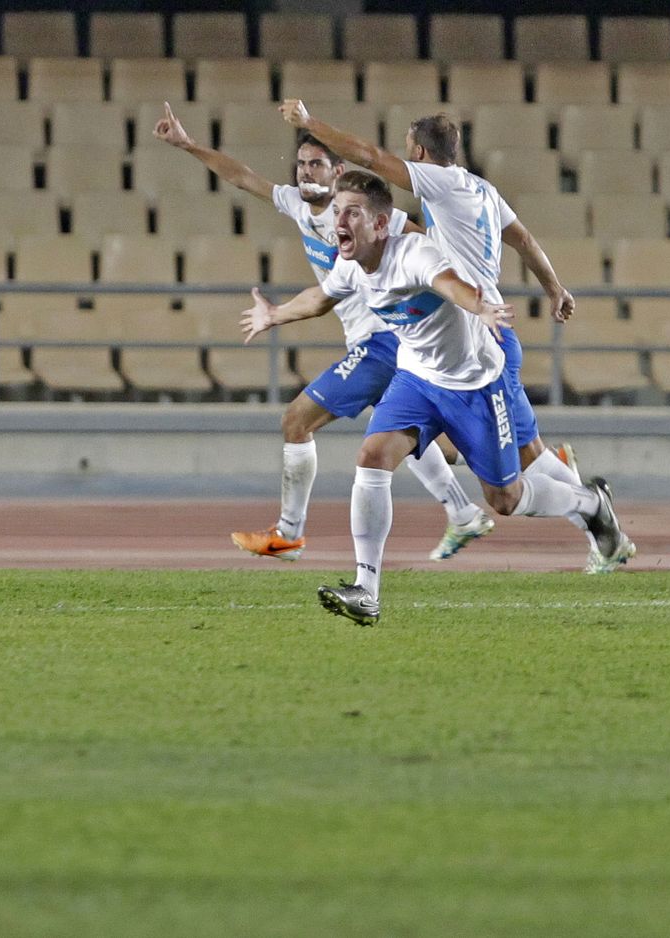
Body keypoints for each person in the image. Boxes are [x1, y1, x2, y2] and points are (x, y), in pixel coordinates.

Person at [240, 172, 626, 625]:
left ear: (381, 224)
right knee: (372, 456)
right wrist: (274, 315)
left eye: (352, 213)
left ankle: (590, 504)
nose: (339, 222)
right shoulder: (351, 266)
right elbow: (320, 299)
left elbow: (448, 283)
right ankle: (366, 589)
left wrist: (479, 306)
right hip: (417, 380)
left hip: (474, 384)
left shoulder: (414, 254)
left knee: (505, 499)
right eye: (338, 211)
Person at [279, 101, 632, 574]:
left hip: (476, 338)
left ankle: (587, 507)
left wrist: (309, 123)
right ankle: (603, 530)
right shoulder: (482, 189)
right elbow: (524, 240)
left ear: (421, 153)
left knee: (504, 488)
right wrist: (554, 288)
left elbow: (369, 156)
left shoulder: (439, 183)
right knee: (529, 455)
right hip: (487, 330)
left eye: (409, 151)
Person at [151, 103, 494, 562]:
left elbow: (425, 249)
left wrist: (456, 299)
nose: (305, 172)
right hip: (375, 342)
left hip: (385, 339)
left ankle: (288, 534)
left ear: (338, 172)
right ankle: (474, 503)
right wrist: (188, 145)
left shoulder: (361, 214)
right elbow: (242, 177)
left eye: (316, 164)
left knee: (297, 421)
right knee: (411, 436)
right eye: (301, 164)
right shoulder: (298, 206)